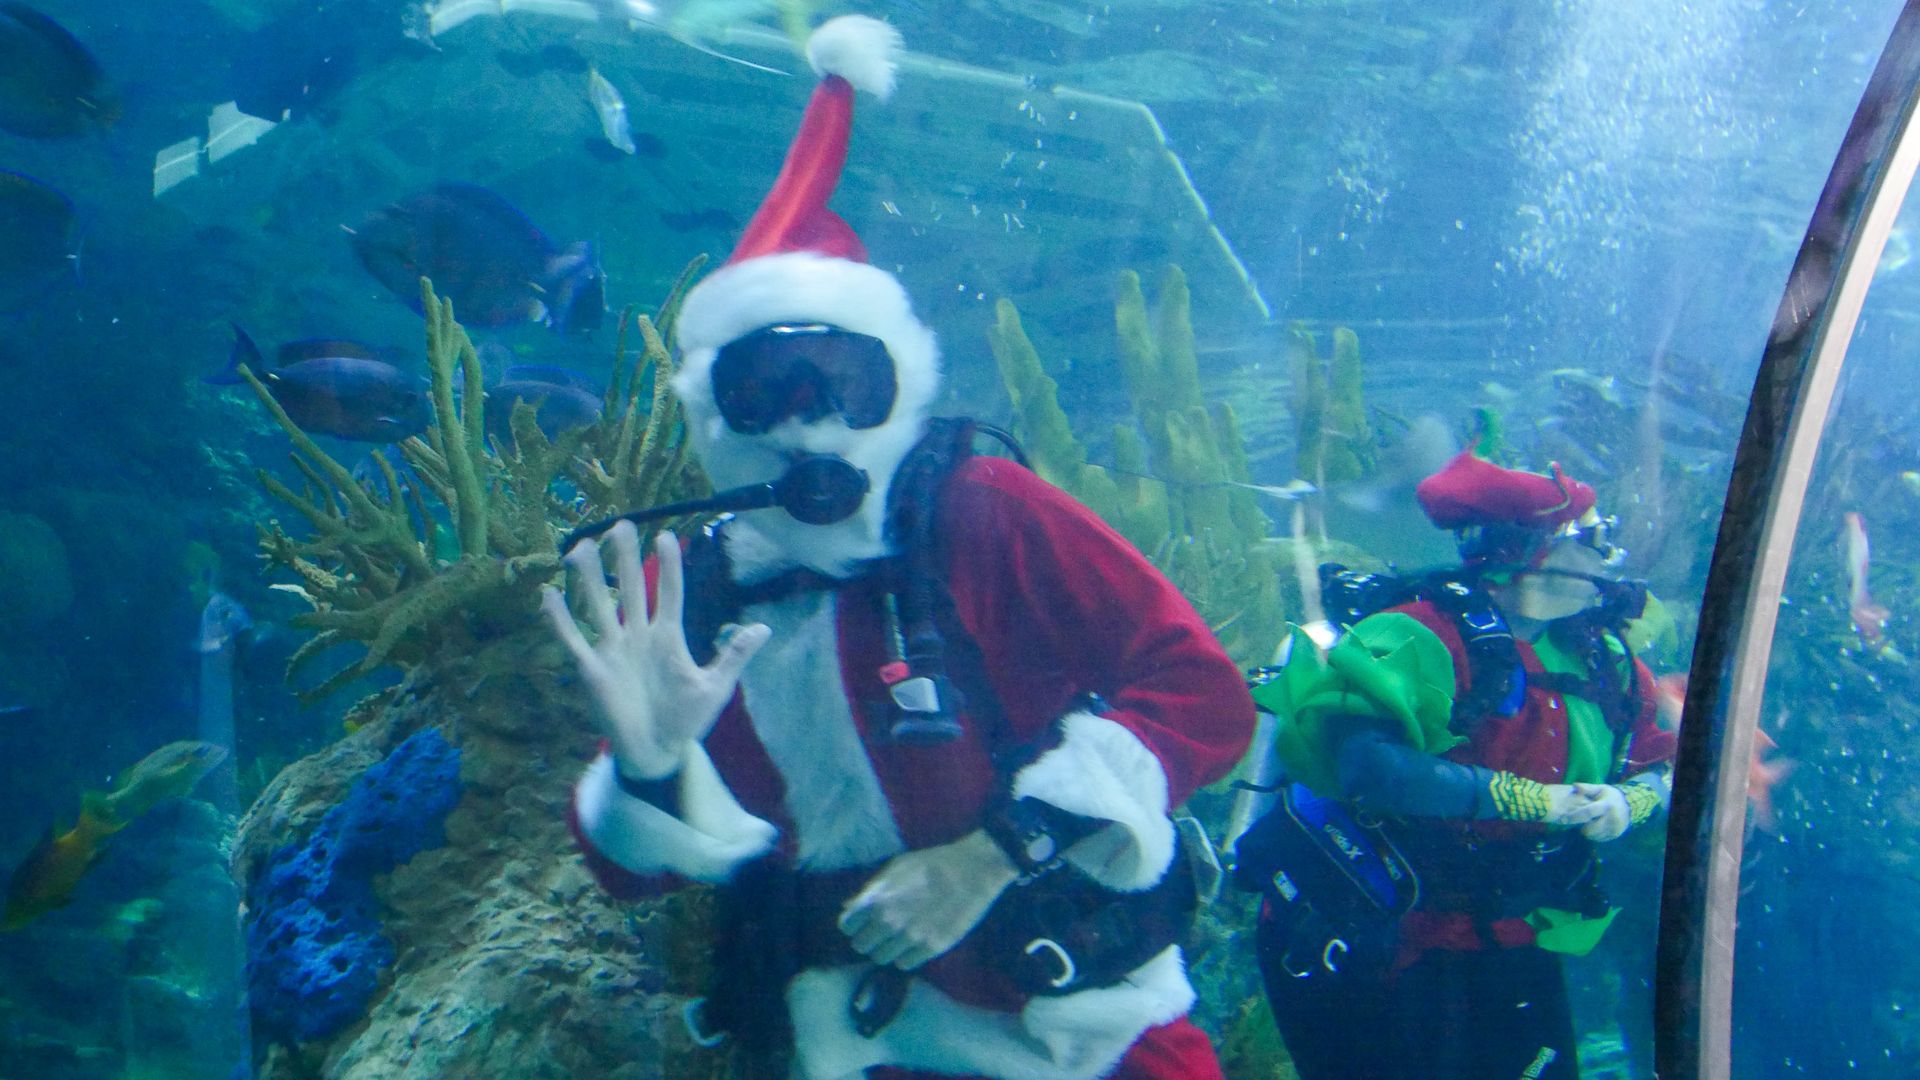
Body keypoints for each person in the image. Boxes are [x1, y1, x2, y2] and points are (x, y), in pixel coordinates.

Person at [542, 16, 1254, 1080]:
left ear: (898, 388)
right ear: (715, 418)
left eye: (843, 378)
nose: (805, 420)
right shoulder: (690, 587)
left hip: (1088, 1034)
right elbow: (631, 875)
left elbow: (1206, 698)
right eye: (761, 389)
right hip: (859, 1046)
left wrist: (996, 851)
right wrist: (646, 770)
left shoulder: (987, 510)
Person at [1233, 446, 1678, 1080]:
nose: (1610, 558)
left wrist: (1631, 803)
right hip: (1395, 942)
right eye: (1594, 537)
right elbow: (1371, 768)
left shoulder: (1601, 656)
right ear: (1531, 552)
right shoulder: (1418, 634)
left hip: (1513, 932)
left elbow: (1666, 768)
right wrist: (1529, 800)